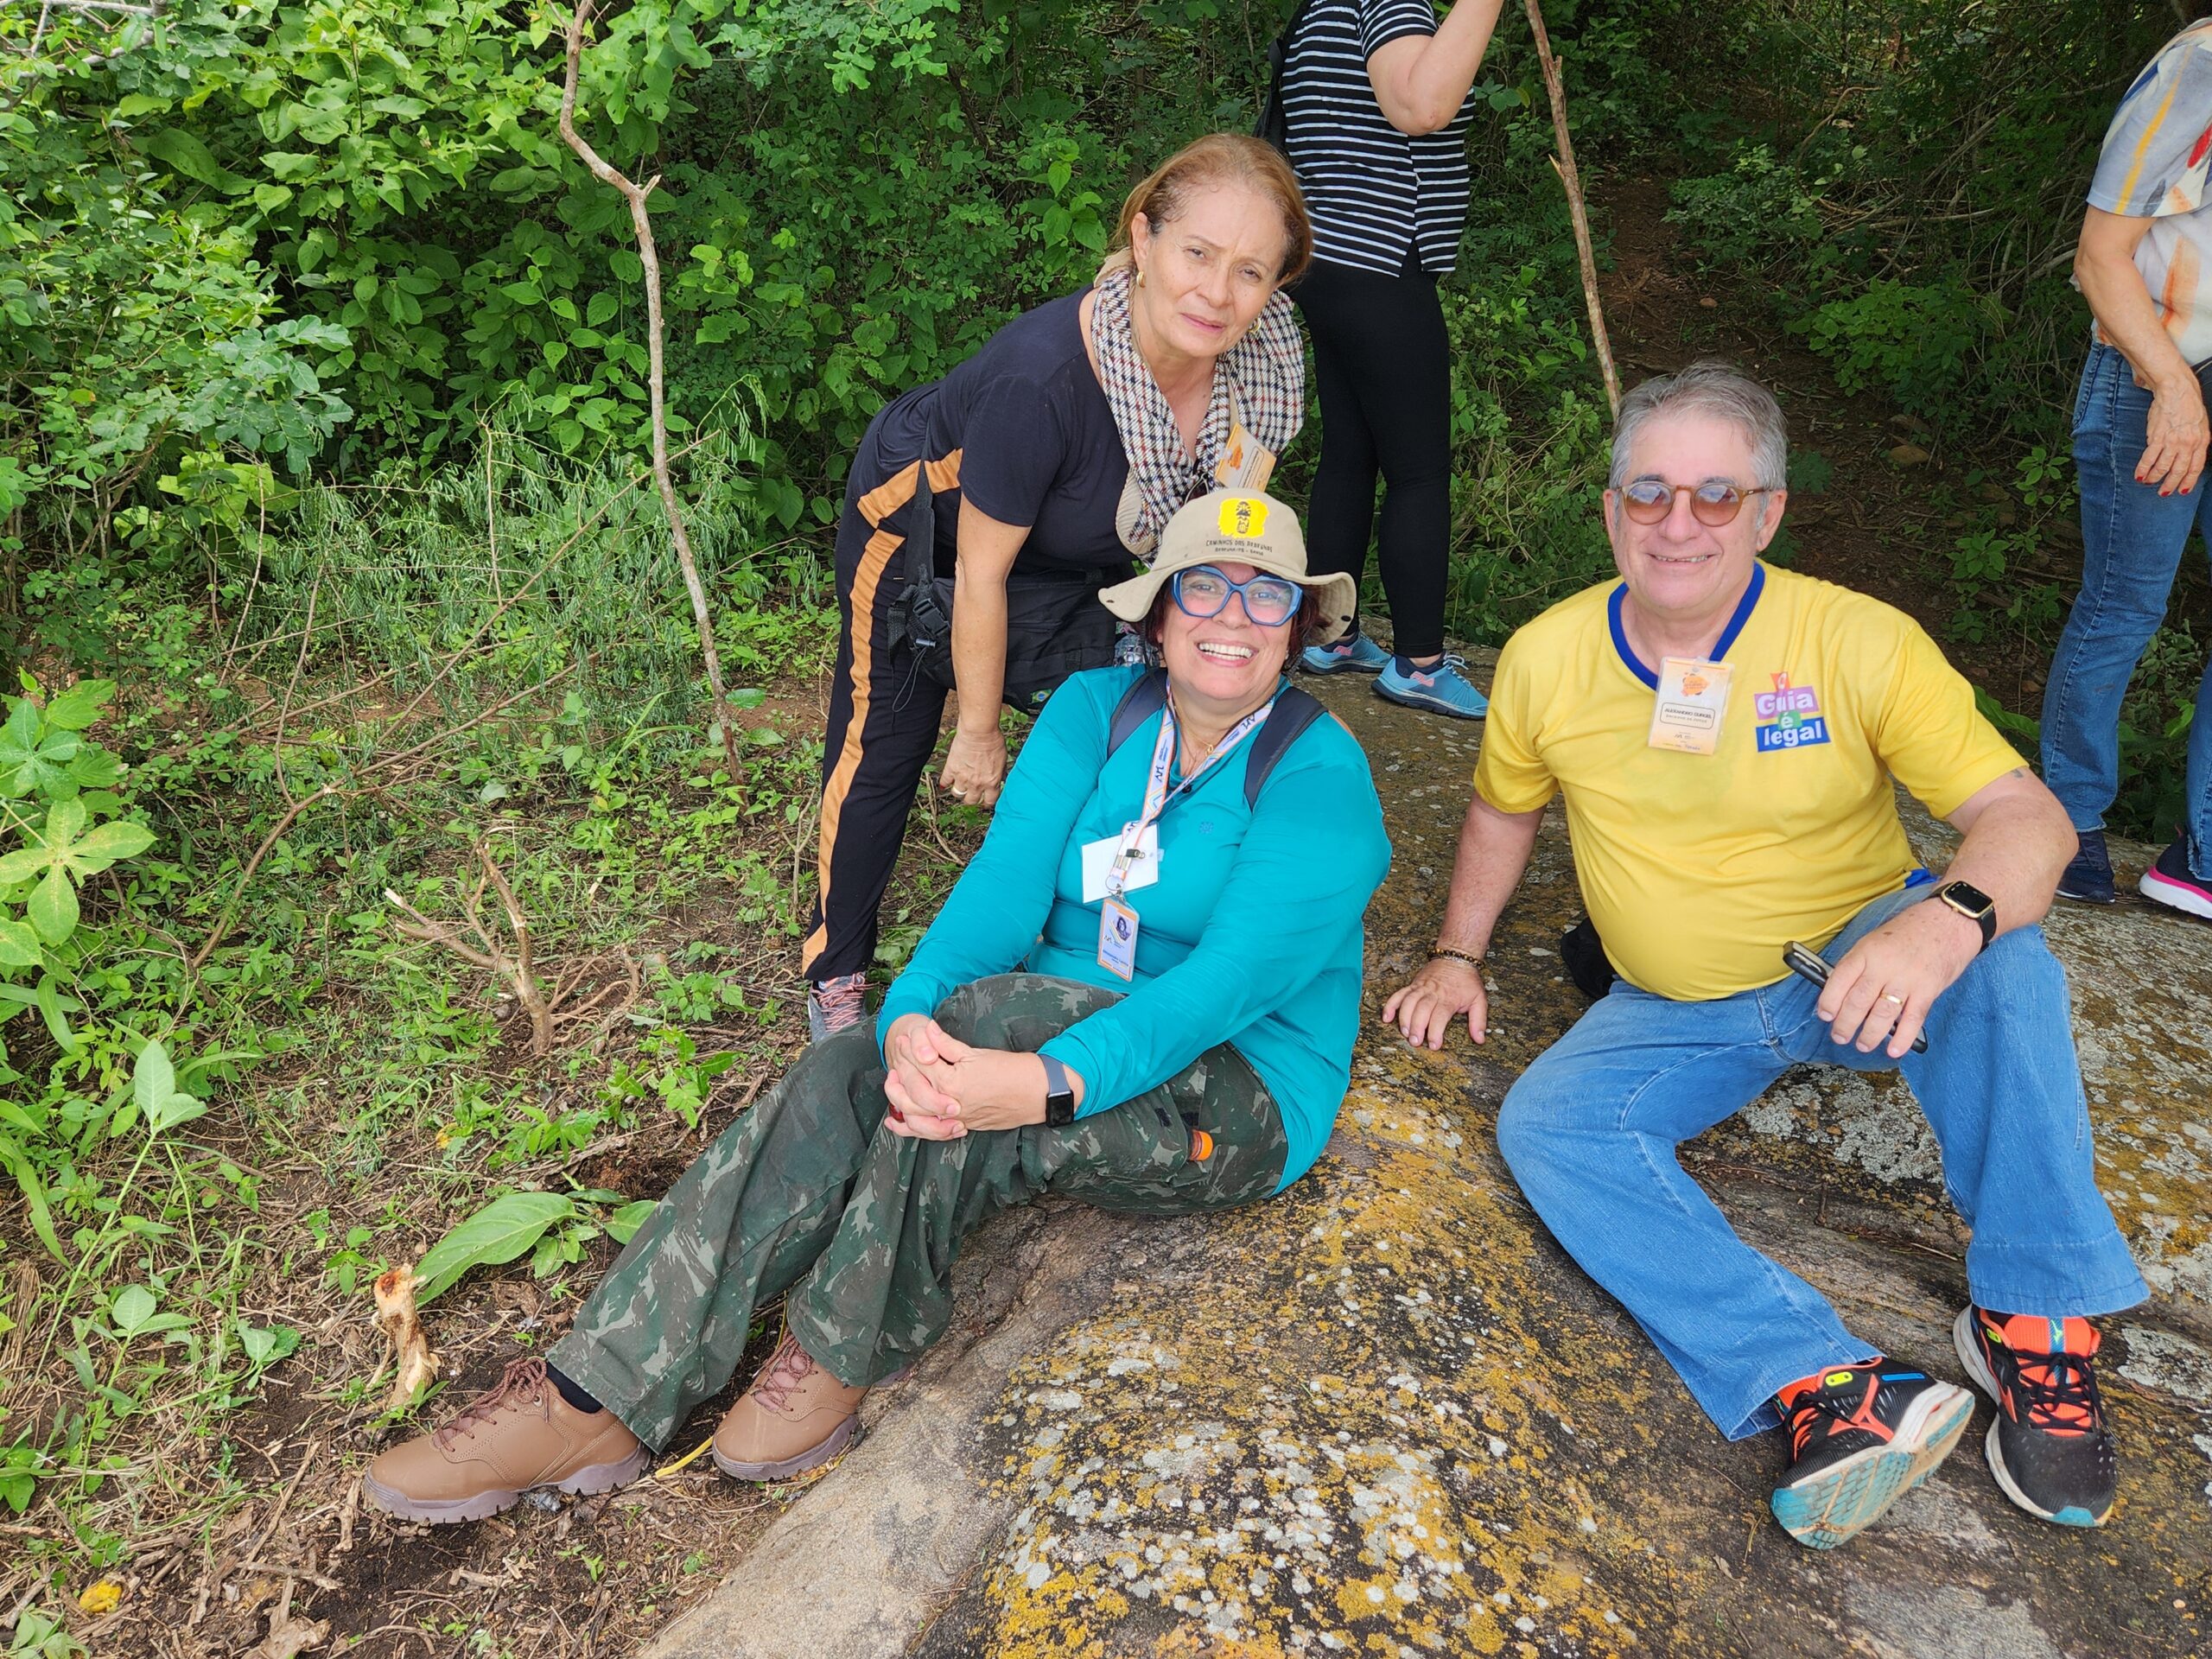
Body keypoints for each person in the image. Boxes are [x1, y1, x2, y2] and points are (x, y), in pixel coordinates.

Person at [362, 490, 1385, 1522]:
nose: (1231, 616)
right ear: (1158, 615)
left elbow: (1219, 990)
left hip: (1226, 1092)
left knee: (990, 1030)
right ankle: (597, 1393)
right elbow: (999, 890)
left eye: (1265, 596)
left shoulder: (1318, 777)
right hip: (1029, 1027)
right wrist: (907, 1022)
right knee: (849, 1063)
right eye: (1203, 587)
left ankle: (840, 1341)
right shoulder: (1094, 711)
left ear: (1297, 626)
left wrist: (1045, 1082)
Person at [1384, 363, 2147, 1549]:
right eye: (1648, 493)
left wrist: (1942, 917)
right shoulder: (1544, 655)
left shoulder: (1856, 639)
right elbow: (1501, 808)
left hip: (1855, 968)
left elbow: (2030, 823)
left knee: (2004, 956)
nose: (1677, 523)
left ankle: (2033, 1318)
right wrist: (1454, 953)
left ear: (1769, 512)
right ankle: (1829, 1385)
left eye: (1716, 495)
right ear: (1611, 510)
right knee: (1550, 1127)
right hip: (1672, 1003)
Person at [804, 135, 1313, 1039]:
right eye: (1197, 253)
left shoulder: (1262, 367)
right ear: (1143, 237)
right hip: (930, 530)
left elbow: (1214, 542)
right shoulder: (1038, 381)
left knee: (1123, 707)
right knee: (885, 736)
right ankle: (834, 972)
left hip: (1084, 541)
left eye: (1250, 271)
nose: (1217, 293)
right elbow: (982, 573)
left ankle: (1095, 927)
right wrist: (977, 729)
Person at [1276, 0, 1505, 719]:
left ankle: (1329, 636)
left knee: (1351, 452)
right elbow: (1421, 107)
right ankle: (1421, 666)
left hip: (1326, 258)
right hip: (1381, 259)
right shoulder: (1388, 1)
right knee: (1419, 470)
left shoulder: (1326, 6)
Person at [2044, 16, 2212, 915]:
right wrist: (2173, 387)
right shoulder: (2198, 66)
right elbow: (2099, 255)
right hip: (2154, 373)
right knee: (2124, 605)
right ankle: (2065, 822)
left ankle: (2202, 851)